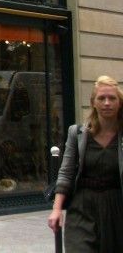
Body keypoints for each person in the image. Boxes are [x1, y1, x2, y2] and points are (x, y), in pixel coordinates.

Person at [48, 75, 122, 252]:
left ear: (119, 102)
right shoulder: (78, 133)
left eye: (112, 98)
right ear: (93, 102)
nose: (106, 103)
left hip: (116, 207)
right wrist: (57, 209)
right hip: (82, 207)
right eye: (101, 98)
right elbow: (65, 173)